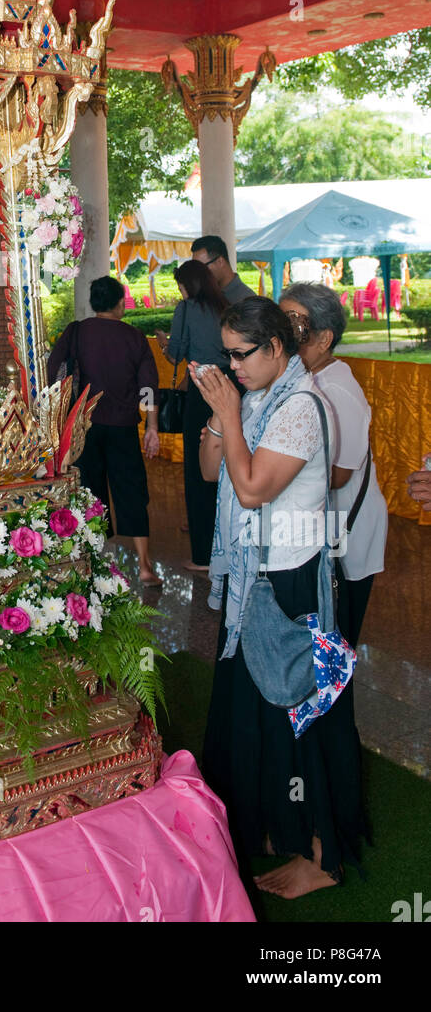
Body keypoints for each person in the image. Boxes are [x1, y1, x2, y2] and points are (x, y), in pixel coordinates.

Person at [193, 298, 365, 900]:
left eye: (242, 354)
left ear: (275, 349)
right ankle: (277, 824)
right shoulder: (260, 396)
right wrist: (221, 419)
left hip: (291, 580)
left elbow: (250, 489)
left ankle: (325, 855)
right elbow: (212, 469)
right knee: (257, 709)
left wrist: (229, 413)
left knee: (302, 711)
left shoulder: (300, 405)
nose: (232, 366)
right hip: (254, 576)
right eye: (226, 356)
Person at [280, 282, 387, 645]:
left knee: (336, 641)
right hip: (318, 527)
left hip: (347, 530)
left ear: (324, 338)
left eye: (295, 325)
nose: (284, 336)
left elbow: (339, 475)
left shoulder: (337, 388)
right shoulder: (304, 379)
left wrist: (268, 472)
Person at [47, 275, 161, 585]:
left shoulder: (77, 332)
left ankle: (94, 562)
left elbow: (53, 371)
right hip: (123, 427)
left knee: (89, 491)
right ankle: (145, 566)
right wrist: (152, 427)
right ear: (120, 303)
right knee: (132, 491)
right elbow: (148, 386)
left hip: (85, 427)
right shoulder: (134, 337)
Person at [154, 259, 228, 573]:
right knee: (227, 464)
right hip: (229, 386)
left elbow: (177, 353)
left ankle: (202, 555)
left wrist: (163, 344)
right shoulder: (224, 305)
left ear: (188, 285)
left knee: (198, 471)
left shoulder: (187, 308)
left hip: (201, 388)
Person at [191, 235, 255, 305]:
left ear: (220, 262)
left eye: (201, 267)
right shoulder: (205, 295)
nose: (198, 273)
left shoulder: (247, 300)